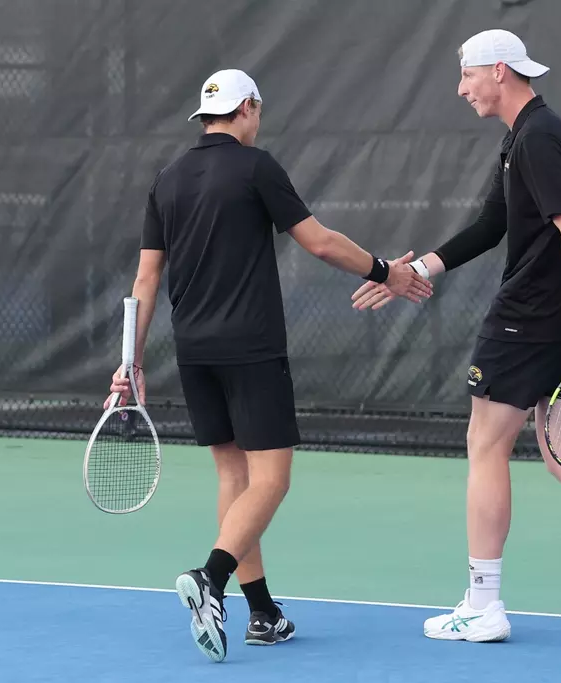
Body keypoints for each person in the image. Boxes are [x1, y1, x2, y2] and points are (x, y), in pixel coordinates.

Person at [351, 29, 561, 644]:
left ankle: (483, 605)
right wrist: (412, 272)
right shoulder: (525, 138)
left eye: (467, 75)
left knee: (485, 443)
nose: (461, 88)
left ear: (499, 71)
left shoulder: (538, 138)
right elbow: (489, 225)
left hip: (531, 317)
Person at [107, 68, 432, 663]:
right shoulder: (257, 168)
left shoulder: (168, 178)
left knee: (234, 481)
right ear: (249, 109)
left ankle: (261, 614)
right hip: (252, 349)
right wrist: (387, 271)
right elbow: (321, 242)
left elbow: (145, 279)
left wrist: (129, 361)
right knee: (271, 482)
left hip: (194, 352)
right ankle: (210, 581)